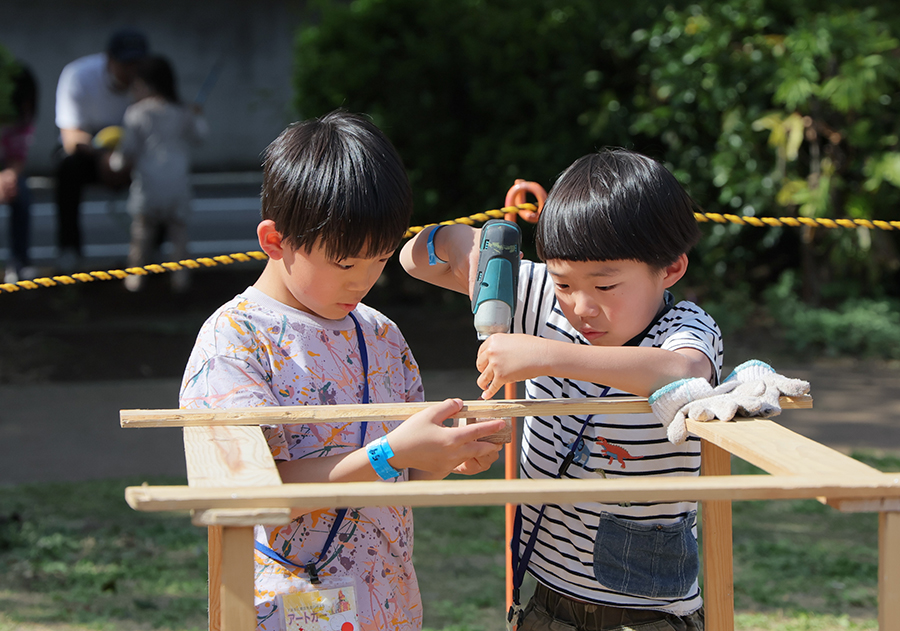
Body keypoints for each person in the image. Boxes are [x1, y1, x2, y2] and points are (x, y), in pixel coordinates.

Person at [178, 110, 506, 631]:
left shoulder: (380, 334)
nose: (365, 280)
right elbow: (250, 496)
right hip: (285, 611)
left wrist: (447, 453)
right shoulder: (234, 340)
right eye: (346, 264)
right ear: (275, 241)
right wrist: (391, 452)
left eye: (379, 258)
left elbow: (404, 475)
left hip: (389, 607)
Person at [400, 148, 725, 631]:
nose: (581, 306)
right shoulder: (538, 299)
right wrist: (467, 244)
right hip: (547, 600)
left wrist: (546, 354)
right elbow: (413, 261)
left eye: (607, 286)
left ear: (671, 269)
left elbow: (684, 372)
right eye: (563, 282)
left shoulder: (683, 329)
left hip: (645, 615)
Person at [109, 55, 207, 292]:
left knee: (142, 235)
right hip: (178, 185)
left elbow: (124, 155)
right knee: (178, 236)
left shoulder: (136, 113)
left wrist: (111, 160)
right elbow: (201, 136)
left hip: (148, 187)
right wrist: (196, 114)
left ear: (146, 84)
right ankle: (180, 280)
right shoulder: (183, 111)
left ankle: (135, 281)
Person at [53, 27, 149, 270]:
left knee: (162, 167)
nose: (131, 71)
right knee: (66, 166)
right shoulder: (78, 75)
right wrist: (104, 157)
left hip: (134, 151)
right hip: (91, 151)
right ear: (109, 59)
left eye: (137, 63)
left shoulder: (148, 80)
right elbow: (71, 135)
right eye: (126, 63)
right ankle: (69, 250)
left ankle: (150, 252)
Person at [1, 61, 38, 283]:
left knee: (21, 193)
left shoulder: (21, 119)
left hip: (5, 171)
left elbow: (18, 156)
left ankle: (19, 261)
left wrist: (9, 176)